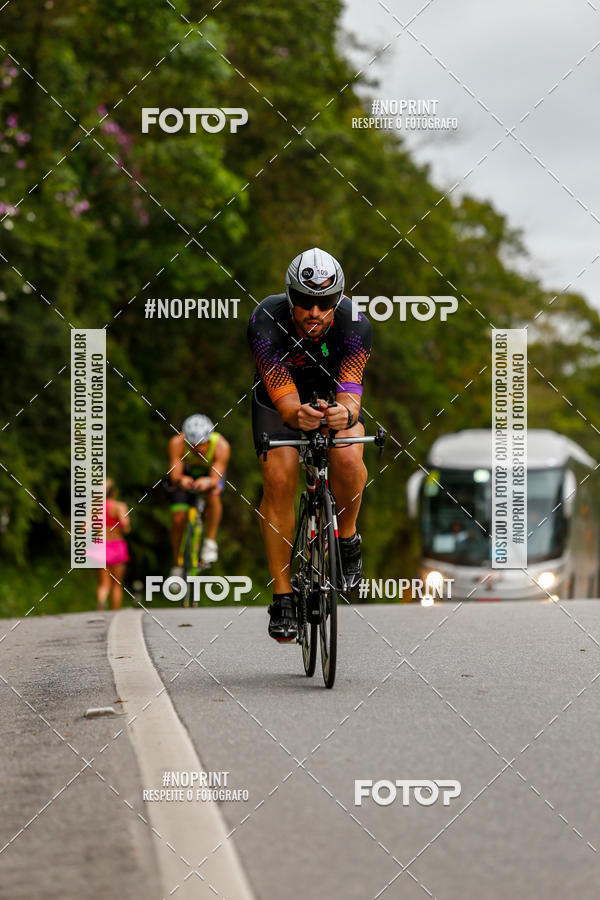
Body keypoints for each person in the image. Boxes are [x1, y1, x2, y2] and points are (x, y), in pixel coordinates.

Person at [247, 247, 372, 642]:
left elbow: (352, 393)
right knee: (280, 479)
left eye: (324, 303)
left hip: (332, 398)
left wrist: (346, 414)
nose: (314, 312)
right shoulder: (266, 318)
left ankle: (347, 536)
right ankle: (283, 596)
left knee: (349, 457)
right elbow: (285, 401)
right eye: (303, 301)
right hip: (278, 401)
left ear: (338, 300)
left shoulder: (355, 323)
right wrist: (295, 412)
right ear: (289, 296)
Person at [168, 414, 230, 572]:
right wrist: (181, 480)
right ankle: (176, 564)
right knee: (178, 519)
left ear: (210, 439)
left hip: (210, 475)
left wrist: (208, 482)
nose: (198, 449)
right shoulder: (177, 443)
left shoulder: (221, 446)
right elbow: (175, 475)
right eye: (193, 445)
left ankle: (210, 542)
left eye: (202, 444)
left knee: (214, 494)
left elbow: (216, 478)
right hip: (185, 475)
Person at [95, 478, 131, 611]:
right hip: (116, 546)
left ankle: (102, 600)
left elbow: (83, 527)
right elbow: (126, 524)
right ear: (114, 492)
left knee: (103, 584)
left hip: (100, 546)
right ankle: (114, 612)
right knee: (117, 583)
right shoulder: (119, 506)